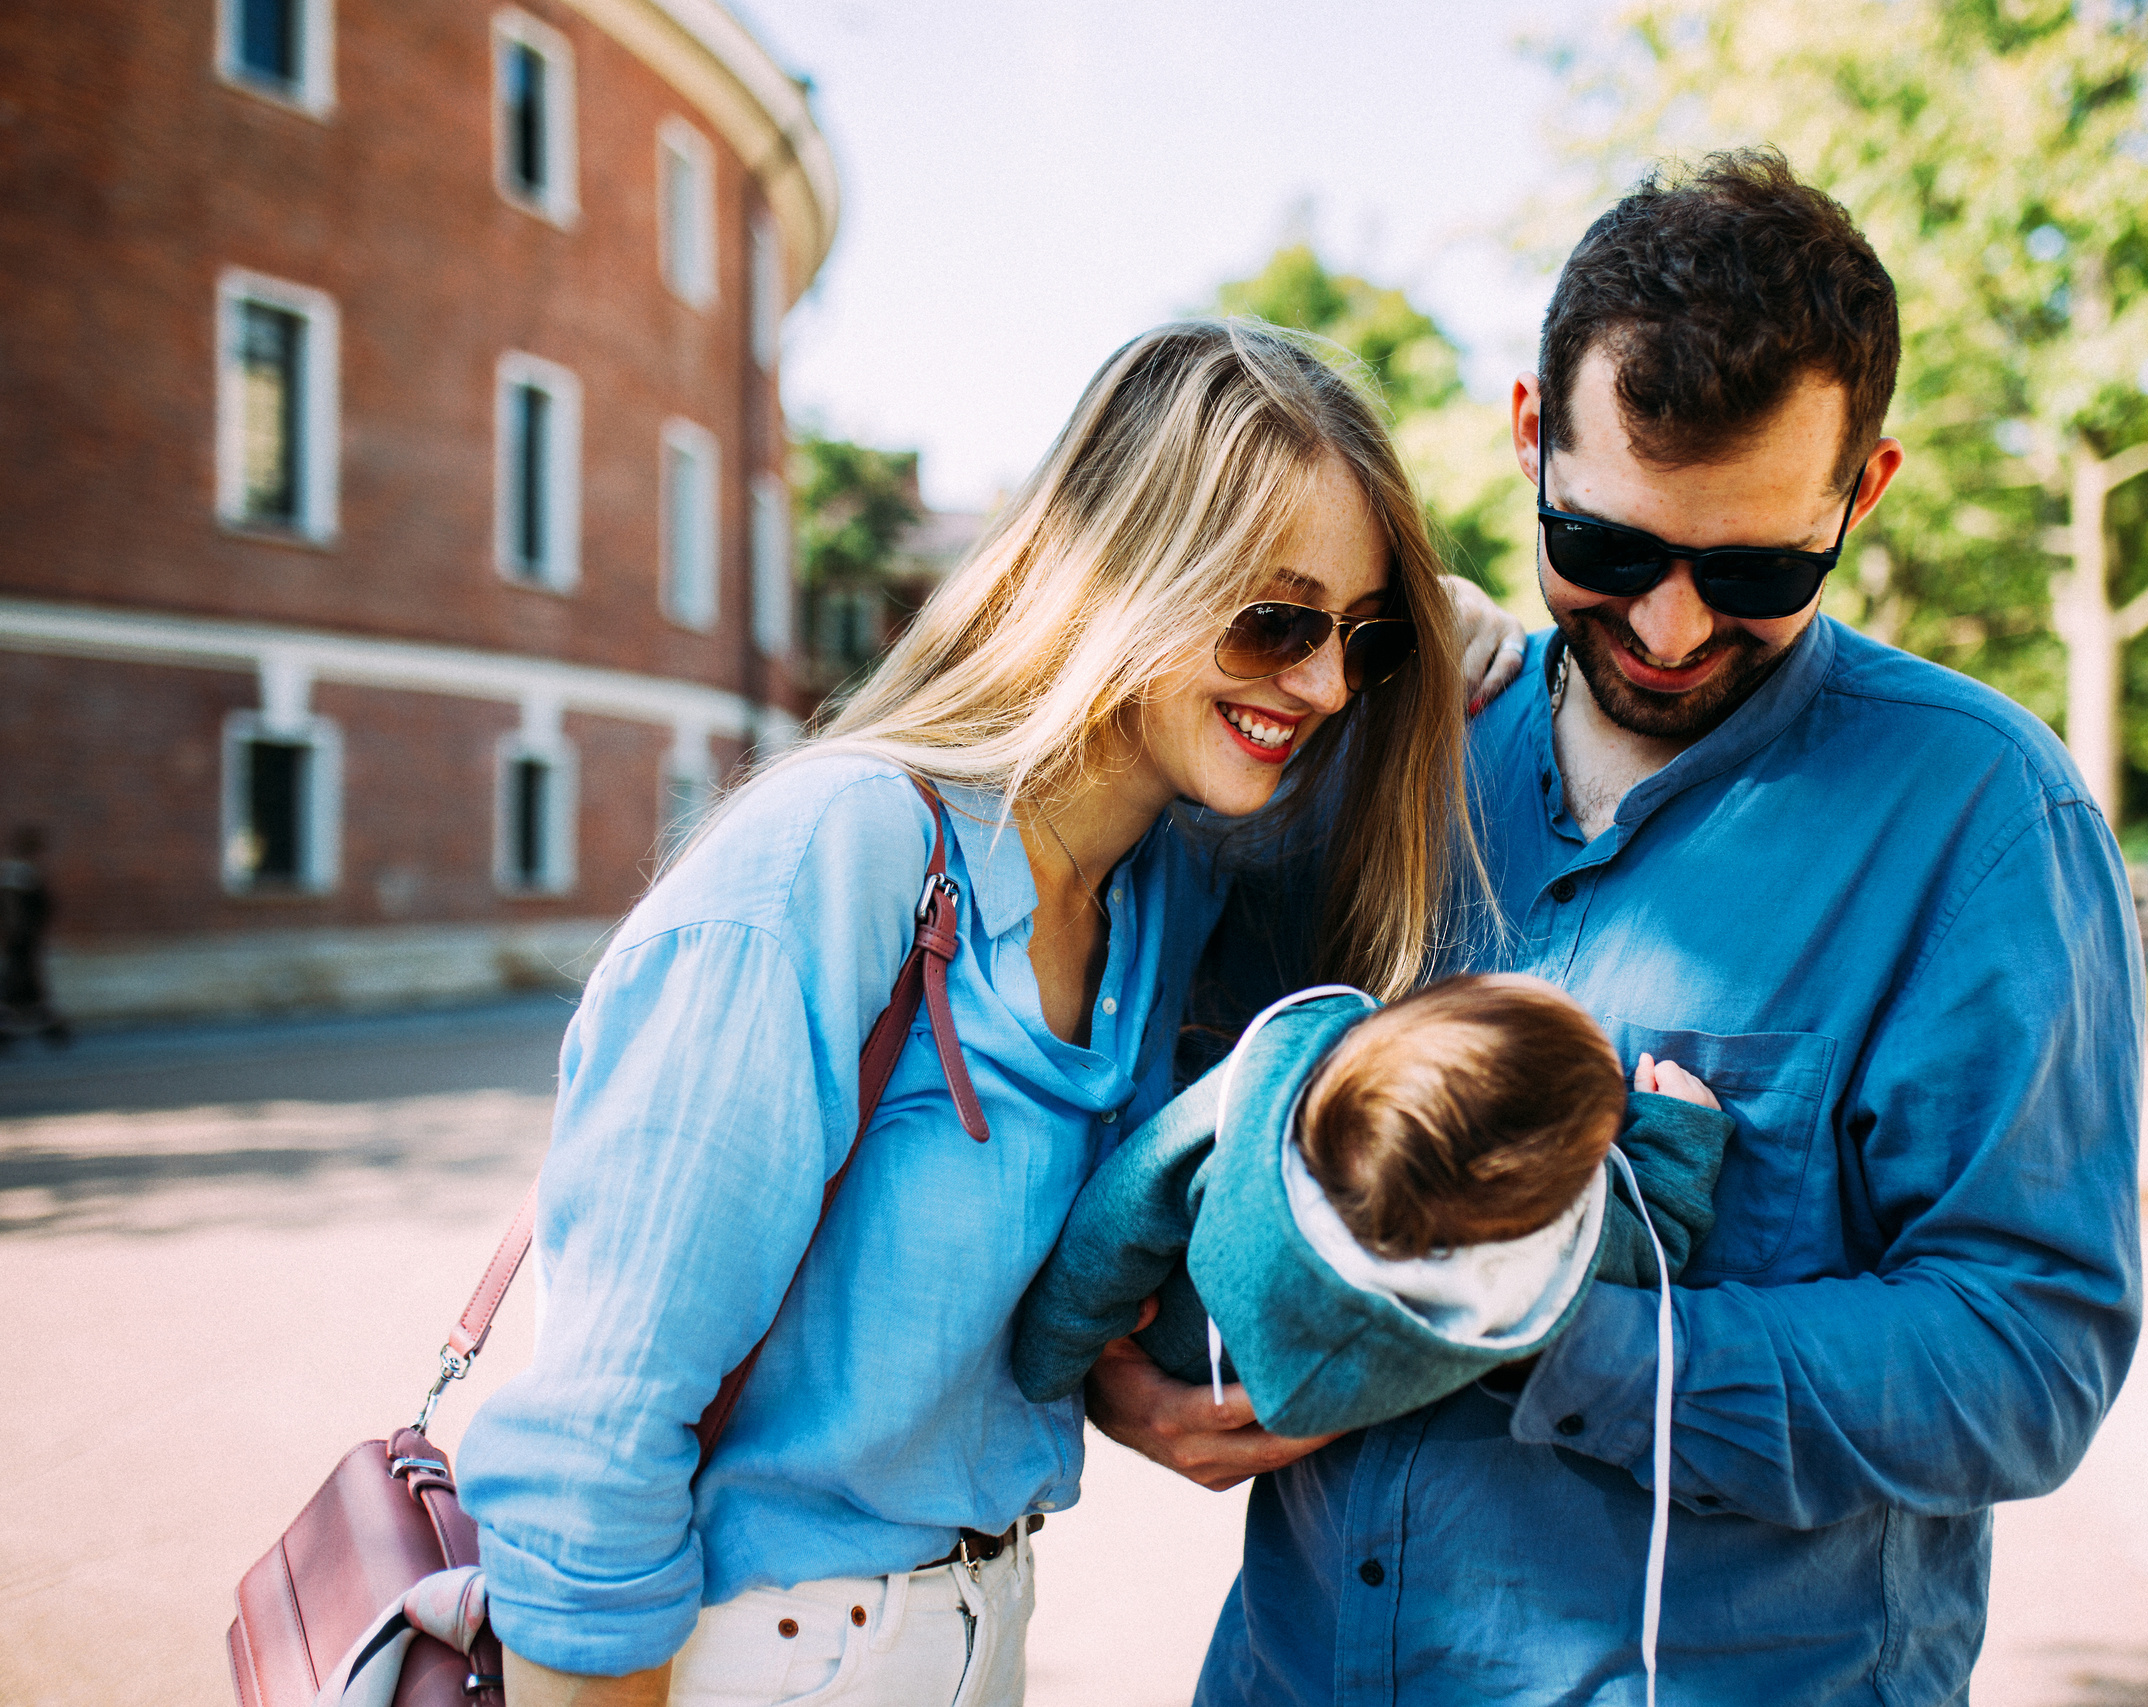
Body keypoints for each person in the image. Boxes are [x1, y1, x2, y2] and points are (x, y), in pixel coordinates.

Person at [1088, 151, 2146, 1705]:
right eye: (1608, 549)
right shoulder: (1381, 739)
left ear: (1865, 490)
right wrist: (1133, 1378)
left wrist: (1526, 1328)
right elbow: (1186, 1113)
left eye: (1756, 569)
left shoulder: (1986, 821)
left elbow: (2023, 1354)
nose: (1668, 626)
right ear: (1531, 434)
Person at [455, 318, 1523, 1707]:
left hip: (976, 1630)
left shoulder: (1155, 897)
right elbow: (596, 1445)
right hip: (736, 1653)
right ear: (1120, 571)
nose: (1322, 682)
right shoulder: (832, 860)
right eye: (1274, 618)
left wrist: (1439, 621)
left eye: (1360, 639)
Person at [1011, 975, 1730, 1438]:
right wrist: (1677, 1136)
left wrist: (1049, 1367)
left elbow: (1117, 1220)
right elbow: (1653, 1241)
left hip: (1178, 1332)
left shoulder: (1257, 1104)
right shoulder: (1518, 1266)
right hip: (1276, 1405)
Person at [0, 825, 71, 1049]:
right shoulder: (19, 875)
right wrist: (19, 934)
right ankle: (49, 1027)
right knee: (22, 984)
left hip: (24, 940)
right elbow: (16, 910)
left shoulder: (20, 874)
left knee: (24, 986)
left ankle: (41, 1025)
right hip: (22, 941)